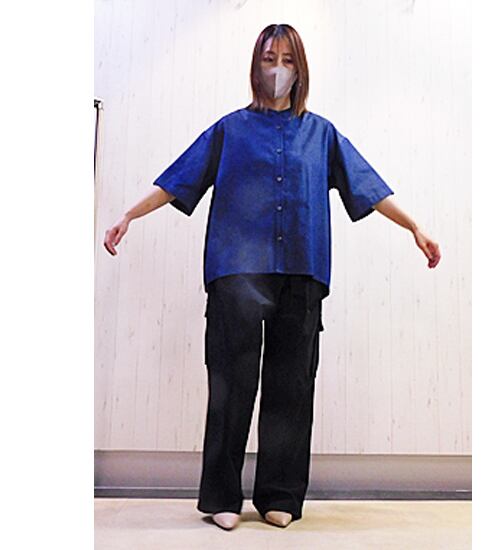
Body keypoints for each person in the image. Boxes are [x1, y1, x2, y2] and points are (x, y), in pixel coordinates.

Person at [103, 23, 441, 531]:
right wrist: (129, 214)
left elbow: (368, 187)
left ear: (300, 69)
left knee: (292, 388)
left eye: (287, 60)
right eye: (268, 59)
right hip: (236, 273)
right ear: (255, 66)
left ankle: (280, 494)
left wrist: (415, 226)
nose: (277, 69)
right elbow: (178, 179)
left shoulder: (321, 134)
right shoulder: (230, 130)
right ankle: (221, 497)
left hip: (301, 272)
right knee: (230, 385)